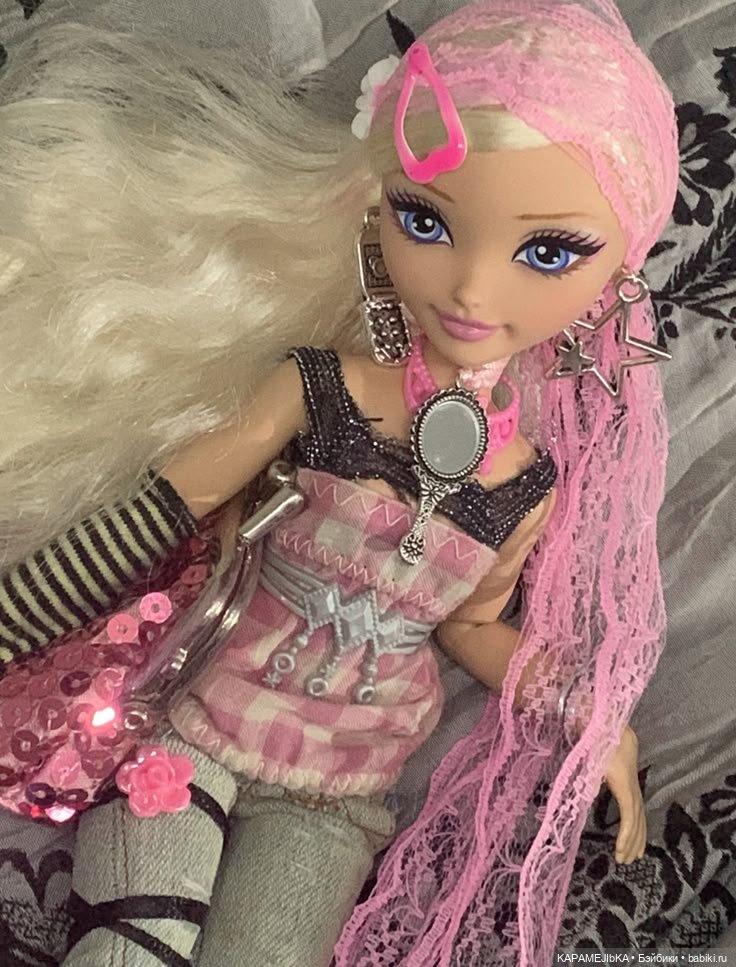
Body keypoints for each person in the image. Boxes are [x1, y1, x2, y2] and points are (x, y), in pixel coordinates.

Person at [0, 2, 678, 964]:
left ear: (617, 274)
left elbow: (471, 625)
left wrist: (589, 716)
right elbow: (164, 506)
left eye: (548, 252)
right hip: (192, 723)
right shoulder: (321, 391)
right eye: (425, 220)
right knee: (130, 945)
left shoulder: (522, 486)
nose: (472, 289)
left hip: (336, 792)